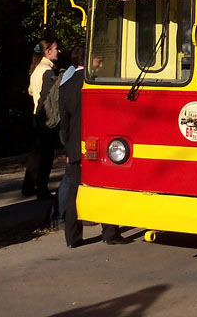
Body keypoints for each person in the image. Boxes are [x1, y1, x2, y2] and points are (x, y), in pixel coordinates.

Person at [59, 45, 122, 247]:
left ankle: (72, 237)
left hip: (76, 148)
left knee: (75, 193)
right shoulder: (95, 85)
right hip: (98, 144)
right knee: (105, 187)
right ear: (88, 62)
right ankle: (110, 232)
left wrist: (68, 149)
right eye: (98, 61)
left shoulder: (65, 87)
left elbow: (65, 124)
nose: (100, 64)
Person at [22, 39, 59, 200]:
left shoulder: (37, 69)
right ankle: (42, 189)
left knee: (36, 153)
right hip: (45, 116)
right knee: (46, 155)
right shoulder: (47, 71)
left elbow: (31, 90)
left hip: (36, 114)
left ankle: (28, 185)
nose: (59, 51)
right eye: (56, 48)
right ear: (48, 51)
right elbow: (50, 96)